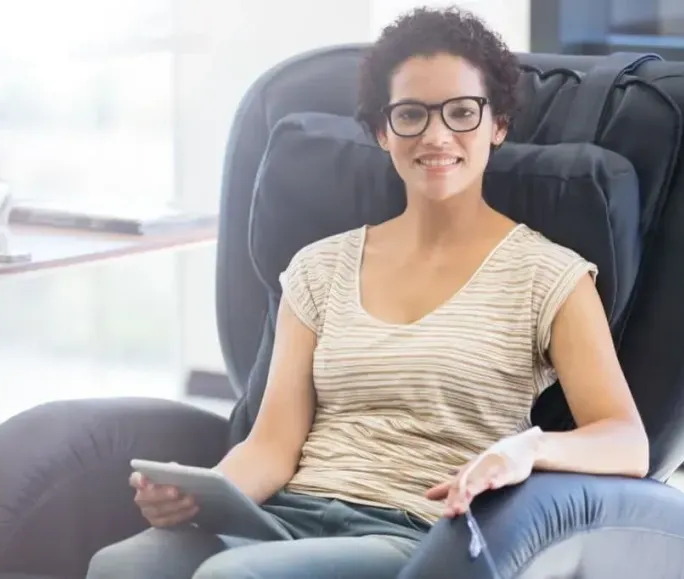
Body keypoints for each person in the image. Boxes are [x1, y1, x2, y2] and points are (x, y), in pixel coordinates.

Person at [87, 7, 649, 579]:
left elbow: (626, 442)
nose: (436, 135)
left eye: (461, 112)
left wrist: (529, 449)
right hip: (282, 518)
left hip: (412, 534)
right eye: (411, 114)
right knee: (123, 565)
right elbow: (272, 445)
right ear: (383, 130)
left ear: (497, 124)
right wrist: (201, 495)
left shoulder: (549, 276)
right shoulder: (319, 267)